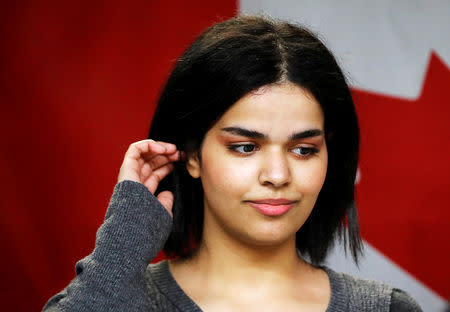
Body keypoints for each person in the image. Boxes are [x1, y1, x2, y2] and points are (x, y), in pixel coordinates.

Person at [43, 16, 422, 311]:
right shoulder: (124, 300)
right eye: (244, 147)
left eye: (303, 150)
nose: (277, 175)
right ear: (191, 154)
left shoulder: (387, 308)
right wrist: (124, 241)